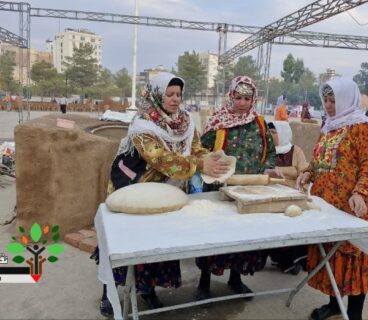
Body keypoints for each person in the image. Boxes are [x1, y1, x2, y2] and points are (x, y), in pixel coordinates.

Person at [94, 72, 230, 316]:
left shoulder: (185, 121)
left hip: (168, 192)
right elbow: (160, 159)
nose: (175, 99)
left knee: (157, 243)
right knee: (125, 244)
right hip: (135, 189)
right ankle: (109, 292)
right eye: (169, 94)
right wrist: (198, 165)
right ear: (157, 95)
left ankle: (148, 291)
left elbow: (196, 149)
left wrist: (208, 157)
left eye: (178, 94)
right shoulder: (143, 123)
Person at [296, 78, 368, 320]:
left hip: (353, 206)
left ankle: (355, 314)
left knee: (354, 257)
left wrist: (360, 192)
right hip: (328, 206)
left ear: (346, 99)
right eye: (326, 100)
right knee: (331, 256)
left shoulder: (362, 128)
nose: (330, 105)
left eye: (334, 100)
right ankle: (334, 305)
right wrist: (307, 173)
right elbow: (318, 160)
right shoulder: (330, 126)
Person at [196, 75, 277, 301]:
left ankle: (235, 278)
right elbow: (200, 151)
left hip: (249, 191)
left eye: (247, 98)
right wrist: (210, 163)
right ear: (231, 96)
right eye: (238, 97)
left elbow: (270, 152)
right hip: (219, 190)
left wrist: (269, 168)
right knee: (214, 236)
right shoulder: (218, 122)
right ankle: (204, 281)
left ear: (254, 100)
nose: (242, 103)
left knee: (242, 237)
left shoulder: (259, 123)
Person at [265, 120, 308, 274]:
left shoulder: (296, 151)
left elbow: (303, 171)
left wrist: (300, 177)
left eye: (274, 132)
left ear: (283, 134)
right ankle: (276, 257)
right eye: (269, 132)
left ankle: (293, 259)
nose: (270, 135)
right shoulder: (266, 150)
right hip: (271, 194)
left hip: (292, 194)